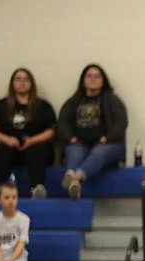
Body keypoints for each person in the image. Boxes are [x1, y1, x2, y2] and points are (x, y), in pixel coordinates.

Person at [57, 64, 127, 199]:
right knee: (74, 152)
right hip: (79, 141)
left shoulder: (112, 100)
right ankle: (73, 178)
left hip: (107, 143)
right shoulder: (74, 101)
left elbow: (121, 122)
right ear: (83, 80)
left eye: (97, 76)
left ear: (103, 80)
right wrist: (70, 137)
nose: (93, 79)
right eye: (89, 76)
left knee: (99, 152)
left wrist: (108, 138)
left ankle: (75, 177)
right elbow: (62, 122)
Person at [0, 68, 55, 199]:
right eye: (18, 79)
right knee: (2, 150)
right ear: (12, 83)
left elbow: (51, 131)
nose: (22, 82)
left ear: (32, 83)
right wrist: (7, 139)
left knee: (36, 150)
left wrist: (32, 140)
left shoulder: (43, 105)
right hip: (10, 147)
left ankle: (37, 188)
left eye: (26, 79)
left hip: (36, 147)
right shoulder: (0, 105)